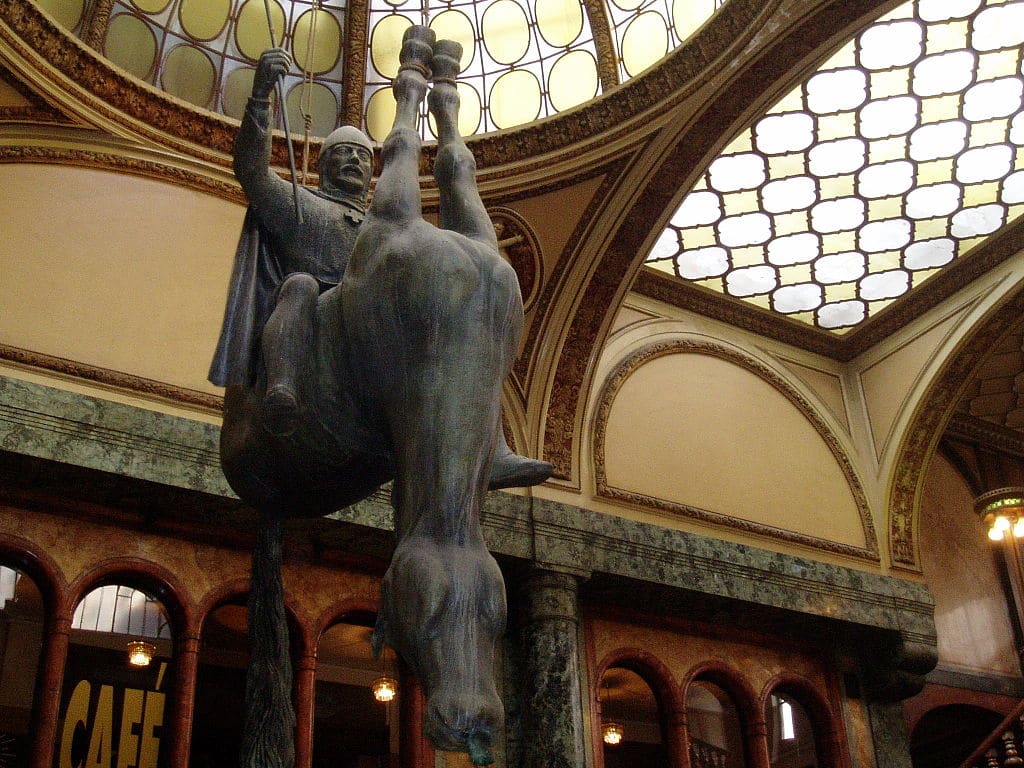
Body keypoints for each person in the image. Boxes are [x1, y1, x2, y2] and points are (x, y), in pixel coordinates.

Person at [210, 48, 551, 487]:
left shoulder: (381, 224)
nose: (354, 160)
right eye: (343, 154)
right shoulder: (300, 205)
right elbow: (251, 171)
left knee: (461, 319)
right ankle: (284, 387)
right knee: (299, 285)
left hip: (371, 307)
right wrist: (260, 97)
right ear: (321, 165)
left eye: (362, 156)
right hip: (316, 306)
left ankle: (490, 445)